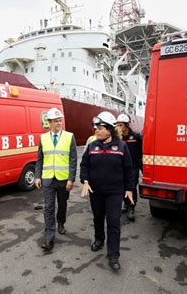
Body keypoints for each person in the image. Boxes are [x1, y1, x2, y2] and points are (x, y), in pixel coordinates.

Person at [80, 111, 134, 271]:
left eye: (100, 128)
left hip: (115, 192)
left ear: (109, 129)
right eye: (95, 128)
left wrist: (130, 189)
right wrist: (85, 181)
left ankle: (113, 255)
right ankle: (99, 239)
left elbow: (128, 169)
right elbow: (84, 166)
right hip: (95, 192)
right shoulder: (92, 146)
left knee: (113, 221)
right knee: (98, 217)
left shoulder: (121, 146)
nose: (96, 130)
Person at [35, 107, 77, 251]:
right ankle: (49, 238)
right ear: (49, 122)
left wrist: (71, 179)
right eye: (55, 121)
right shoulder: (43, 138)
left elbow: (73, 159)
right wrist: (37, 176)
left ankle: (61, 222)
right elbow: (39, 159)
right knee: (48, 208)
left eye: (60, 120)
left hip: (63, 179)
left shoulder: (69, 136)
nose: (59, 123)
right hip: (47, 179)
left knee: (62, 204)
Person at [116, 113, 143, 221]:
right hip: (121, 167)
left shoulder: (136, 136)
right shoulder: (118, 138)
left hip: (133, 167)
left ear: (127, 125)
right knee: (122, 187)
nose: (119, 127)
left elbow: (142, 150)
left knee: (131, 186)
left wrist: (140, 163)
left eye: (121, 125)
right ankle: (126, 203)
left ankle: (132, 207)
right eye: (117, 125)